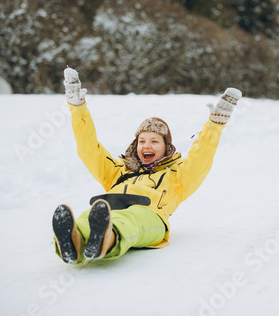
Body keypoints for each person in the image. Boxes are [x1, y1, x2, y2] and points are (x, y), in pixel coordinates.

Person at [52, 67, 242, 264]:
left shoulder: (177, 176)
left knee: (130, 220)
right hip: (110, 208)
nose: (146, 145)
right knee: (86, 218)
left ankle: (106, 239)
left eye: (154, 141)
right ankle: (72, 242)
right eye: (142, 141)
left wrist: (215, 125)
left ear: (165, 147)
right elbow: (89, 148)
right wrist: (77, 107)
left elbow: (202, 155)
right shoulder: (118, 171)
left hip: (150, 216)